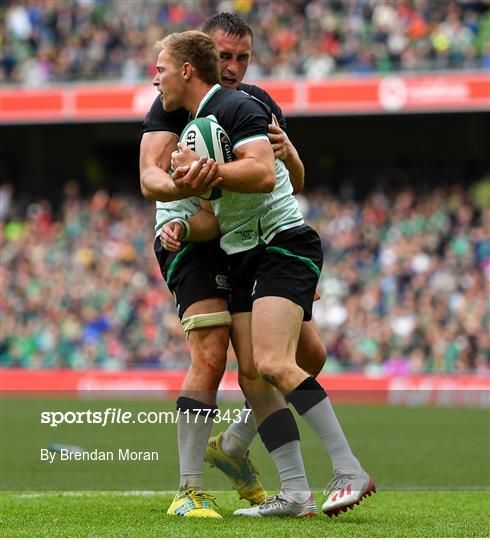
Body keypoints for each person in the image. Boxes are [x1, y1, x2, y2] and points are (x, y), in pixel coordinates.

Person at [158, 29, 375, 518]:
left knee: (282, 362)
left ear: (189, 67)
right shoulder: (184, 117)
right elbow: (208, 201)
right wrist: (179, 223)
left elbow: (262, 175)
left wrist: (202, 170)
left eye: (161, 70)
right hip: (244, 253)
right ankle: (294, 491)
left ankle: (347, 469)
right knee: (256, 374)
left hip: (279, 244)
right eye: (226, 55)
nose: (156, 79)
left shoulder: (241, 108)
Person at [139, 13, 326, 517]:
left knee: (306, 356)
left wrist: (290, 155)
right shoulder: (170, 106)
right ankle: (189, 488)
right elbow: (150, 179)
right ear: (199, 58)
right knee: (210, 353)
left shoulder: (254, 104)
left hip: (247, 241)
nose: (234, 67)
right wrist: (190, 188)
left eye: (243, 57)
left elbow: (291, 182)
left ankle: (235, 443)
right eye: (224, 56)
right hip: (191, 237)